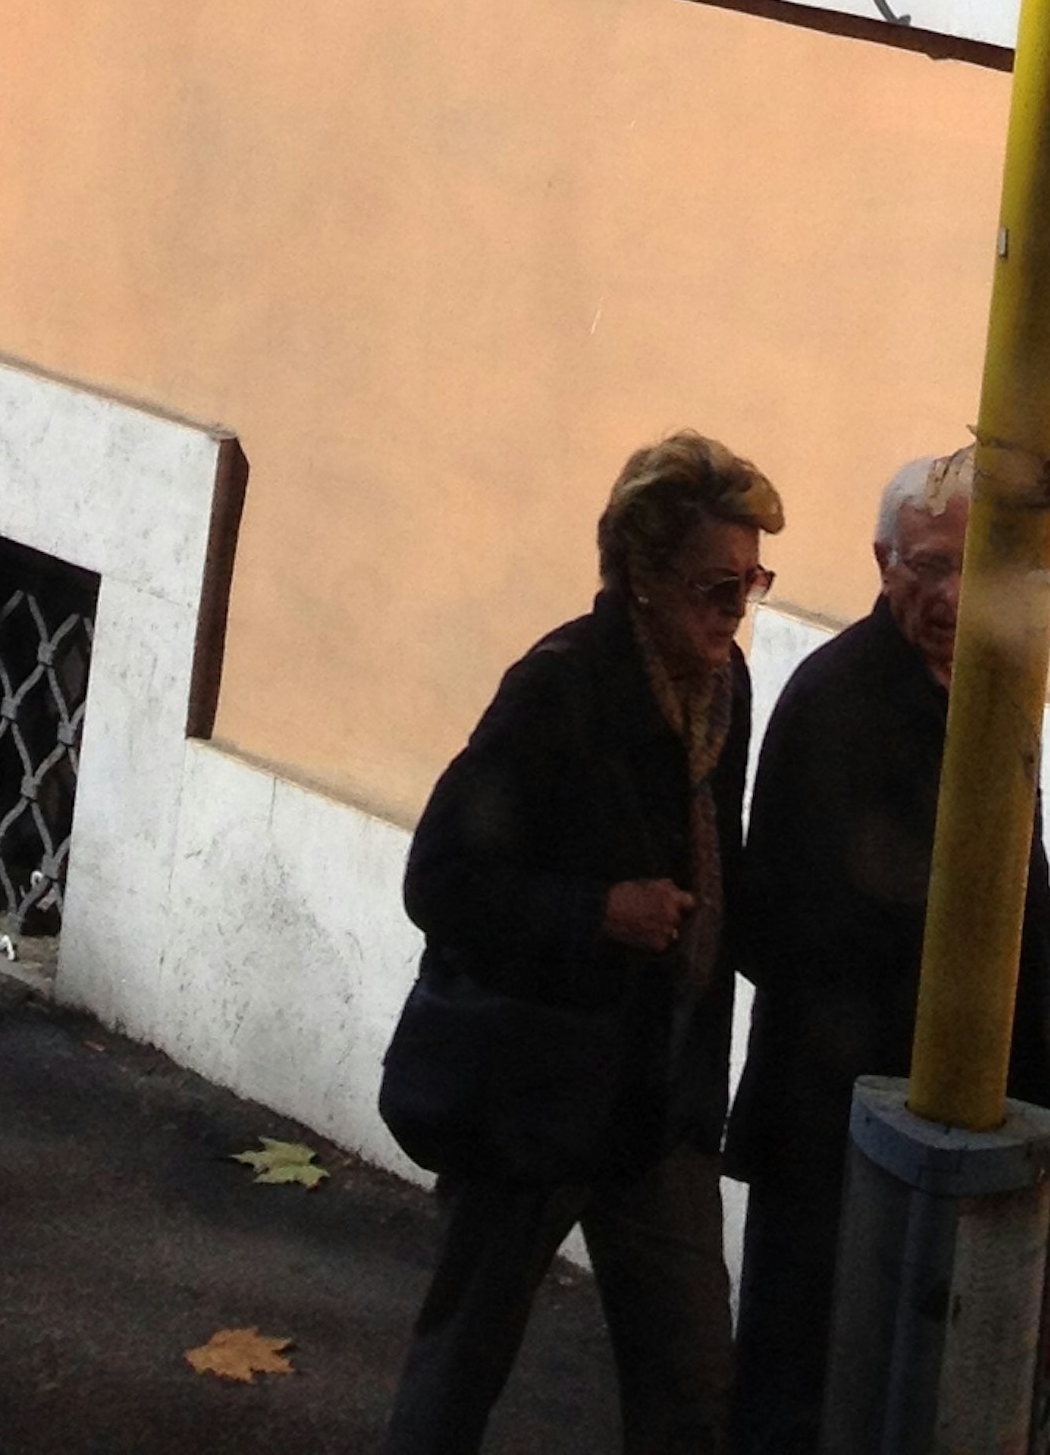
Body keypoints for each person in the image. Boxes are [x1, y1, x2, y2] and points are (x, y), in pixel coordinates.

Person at [380, 428, 788, 1455]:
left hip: (658, 1101)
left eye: (751, 582)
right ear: (642, 573)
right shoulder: (561, 686)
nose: (734, 608)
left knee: (694, 1382)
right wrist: (596, 909)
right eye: (716, 584)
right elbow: (441, 878)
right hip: (533, 1091)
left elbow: (718, 865)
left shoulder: (722, 689)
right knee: (461, 1366)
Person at [723, 451, 1050, 1455]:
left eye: (976, 566)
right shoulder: (835, 697)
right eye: (928, 564)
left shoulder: (993, 690)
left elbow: (1028, 892)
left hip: (955, 1107)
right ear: (883, 559)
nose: (952, 593)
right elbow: (782, 924)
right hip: (834, 1110)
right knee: (804, 1384)